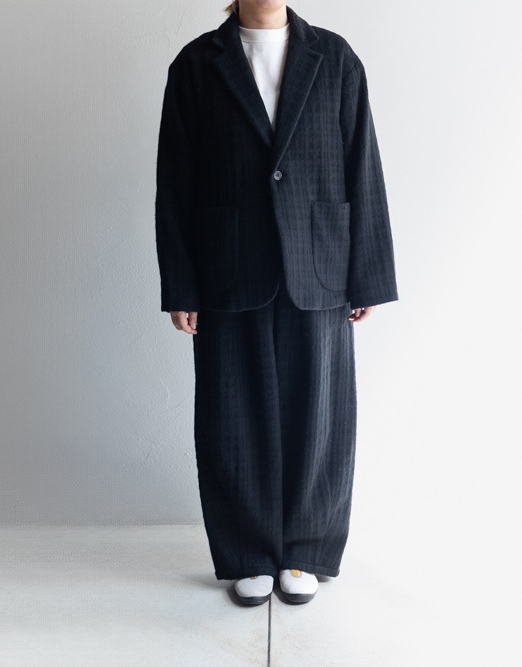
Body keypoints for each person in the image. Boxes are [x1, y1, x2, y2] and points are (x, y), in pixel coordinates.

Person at [155, 0, 397, 606]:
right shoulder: (196, 65)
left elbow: (362, 162)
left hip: (319, 259)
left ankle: (306, 549)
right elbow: (174, 180)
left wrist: (368, 274)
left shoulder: (335, 59)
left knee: (320, 413)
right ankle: (247, 551)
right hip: (226, 263)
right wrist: (181, 283)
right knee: (230, 412)